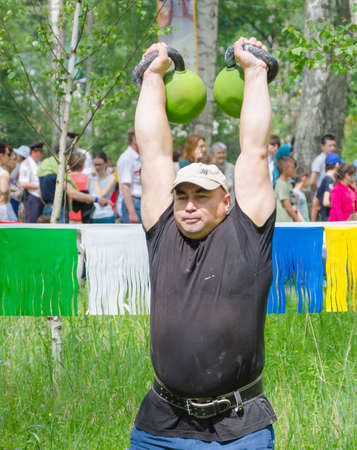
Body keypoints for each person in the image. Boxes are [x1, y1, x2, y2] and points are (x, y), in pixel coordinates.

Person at [130, 37, 276, 448]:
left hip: (239, 427)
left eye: (202, 196)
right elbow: (155, 156)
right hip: (161, 425)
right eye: (182, 195)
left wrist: (255, 70)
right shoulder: (163, 233)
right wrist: (153, 77)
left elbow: (254, 152)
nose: (189, 205)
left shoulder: (249, 233)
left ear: (225, 201)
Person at [37, 142, 108, 223]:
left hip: (47, 209)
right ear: (65, 153)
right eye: (71, 154)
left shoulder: (45, 165)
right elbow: (72, 193)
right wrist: (96, 199)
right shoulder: (58, 169)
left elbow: (40, 192)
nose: (72, 157)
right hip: (58, 212)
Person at [117, 127, 142, 224]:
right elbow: (125, 187)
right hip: (133, 204)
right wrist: (132, 213)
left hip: (140, 203)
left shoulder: (139, 157)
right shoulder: (127, 158)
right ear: (134, 139)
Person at [87, 151, 116, 223]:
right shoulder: (90, 178)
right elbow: (87, 196)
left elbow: (100, 196)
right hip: (91, 216)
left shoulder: (111, 178)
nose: (97, 167)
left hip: (106, 216)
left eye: (99, 164)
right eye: (95, 164)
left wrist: (95, 179)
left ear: (106, 163)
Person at [19, 142, 44, 222]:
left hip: (40, 198)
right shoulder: (25, 164)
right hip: (31, 198)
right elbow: (23, 184)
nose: (42, 154)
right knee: (31, 223)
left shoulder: (40, 164)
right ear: (33, 152)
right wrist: (39, 186)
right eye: (40, 152)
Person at [313, 153, 342, 221]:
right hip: (329, 219)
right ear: (337, 165)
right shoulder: (329, 180)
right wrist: (338, 207)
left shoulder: (324, 180)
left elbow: (316, 202)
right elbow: (326, 202)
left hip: (325, 219)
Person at [274, 156, 303, 222]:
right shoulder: (281, 184)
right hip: (284, 221)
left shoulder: (287, 184)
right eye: (292, 168)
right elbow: (287, 205)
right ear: (285, 169)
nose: (294, 170)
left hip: (289, 220)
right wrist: (297, 219)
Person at [310, 134, 337, 199]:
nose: (333, 148)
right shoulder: (319, 160)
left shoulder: (334, 160)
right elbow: (312, 182)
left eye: (334, 145)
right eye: (330, 146)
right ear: (322, 146)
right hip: (321, 198)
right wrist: (319, 193)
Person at [0, 143, 17, 222]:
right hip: (3, 210)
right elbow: (4, 190)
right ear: (1, 155)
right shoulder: (4, 173)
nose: (8, 157)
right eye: (7, 154)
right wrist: (6, 196)